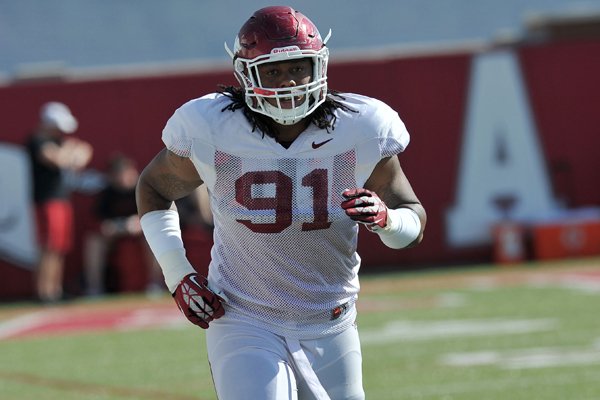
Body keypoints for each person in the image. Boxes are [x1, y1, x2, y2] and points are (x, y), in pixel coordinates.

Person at [136, 6, 426, 399]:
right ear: (245, 76)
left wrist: (387, 220)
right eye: (273, 71)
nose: (288, 81)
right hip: (243, 315)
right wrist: (178, 275)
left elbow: (413, 225)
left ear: (318, 65)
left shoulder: (362, 127)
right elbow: (153, 189)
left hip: (331, 320)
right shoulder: (212, 127)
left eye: (297, 67)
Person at [26, 101, 93, 303]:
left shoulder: (60, 142)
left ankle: (55, 289)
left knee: (60, 247)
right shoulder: (37, 141)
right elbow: (60, 160)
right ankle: (44, 291)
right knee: (49, 246)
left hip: (61, 200)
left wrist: (71, 151)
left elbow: (82, 156)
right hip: (46, 200)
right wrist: (71, 151)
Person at [83, 154, 163, 296]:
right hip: (116, 234)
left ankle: (155, 283)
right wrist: (111, 227)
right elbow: (99, 220)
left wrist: (140, 223)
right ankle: (94, 288)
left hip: (143, 232)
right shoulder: (108, 193)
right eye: (118, 173)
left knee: (153, 239)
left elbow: (158, 214)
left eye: (125, 172)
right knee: (94, 242)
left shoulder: (144, 188)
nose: (123, 177)